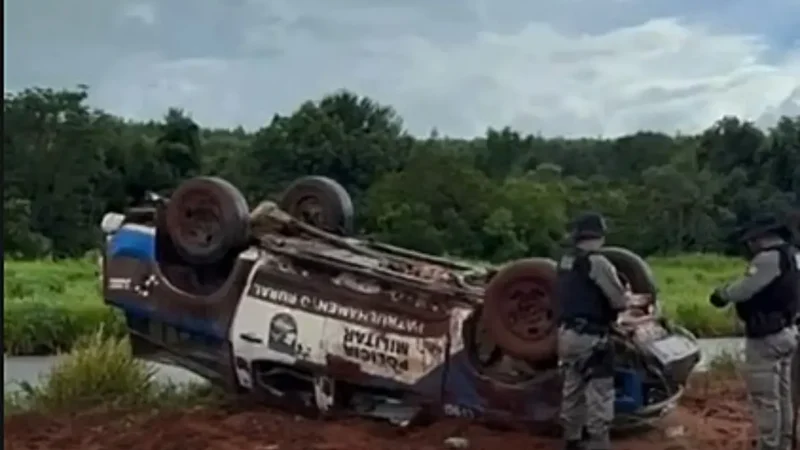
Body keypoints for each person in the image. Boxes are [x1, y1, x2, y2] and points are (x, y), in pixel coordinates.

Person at [709, 213, 800, 450]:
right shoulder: (794, 255)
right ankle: (785, 443)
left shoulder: (768, 259)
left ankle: (769, 446)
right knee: (783, 396)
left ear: (760, 238)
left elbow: (745, 290)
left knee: (765, 400)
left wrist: (722, 293)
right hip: (788, 331)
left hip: (766, 336)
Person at [555, 212, 630, 450]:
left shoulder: (566, 261)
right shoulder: (598, 262)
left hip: (566, 335)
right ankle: (599, 444)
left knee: (573, 388)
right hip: (590, 337)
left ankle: (572, 440)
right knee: (600, 392)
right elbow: (619, 301)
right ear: (599, 236)